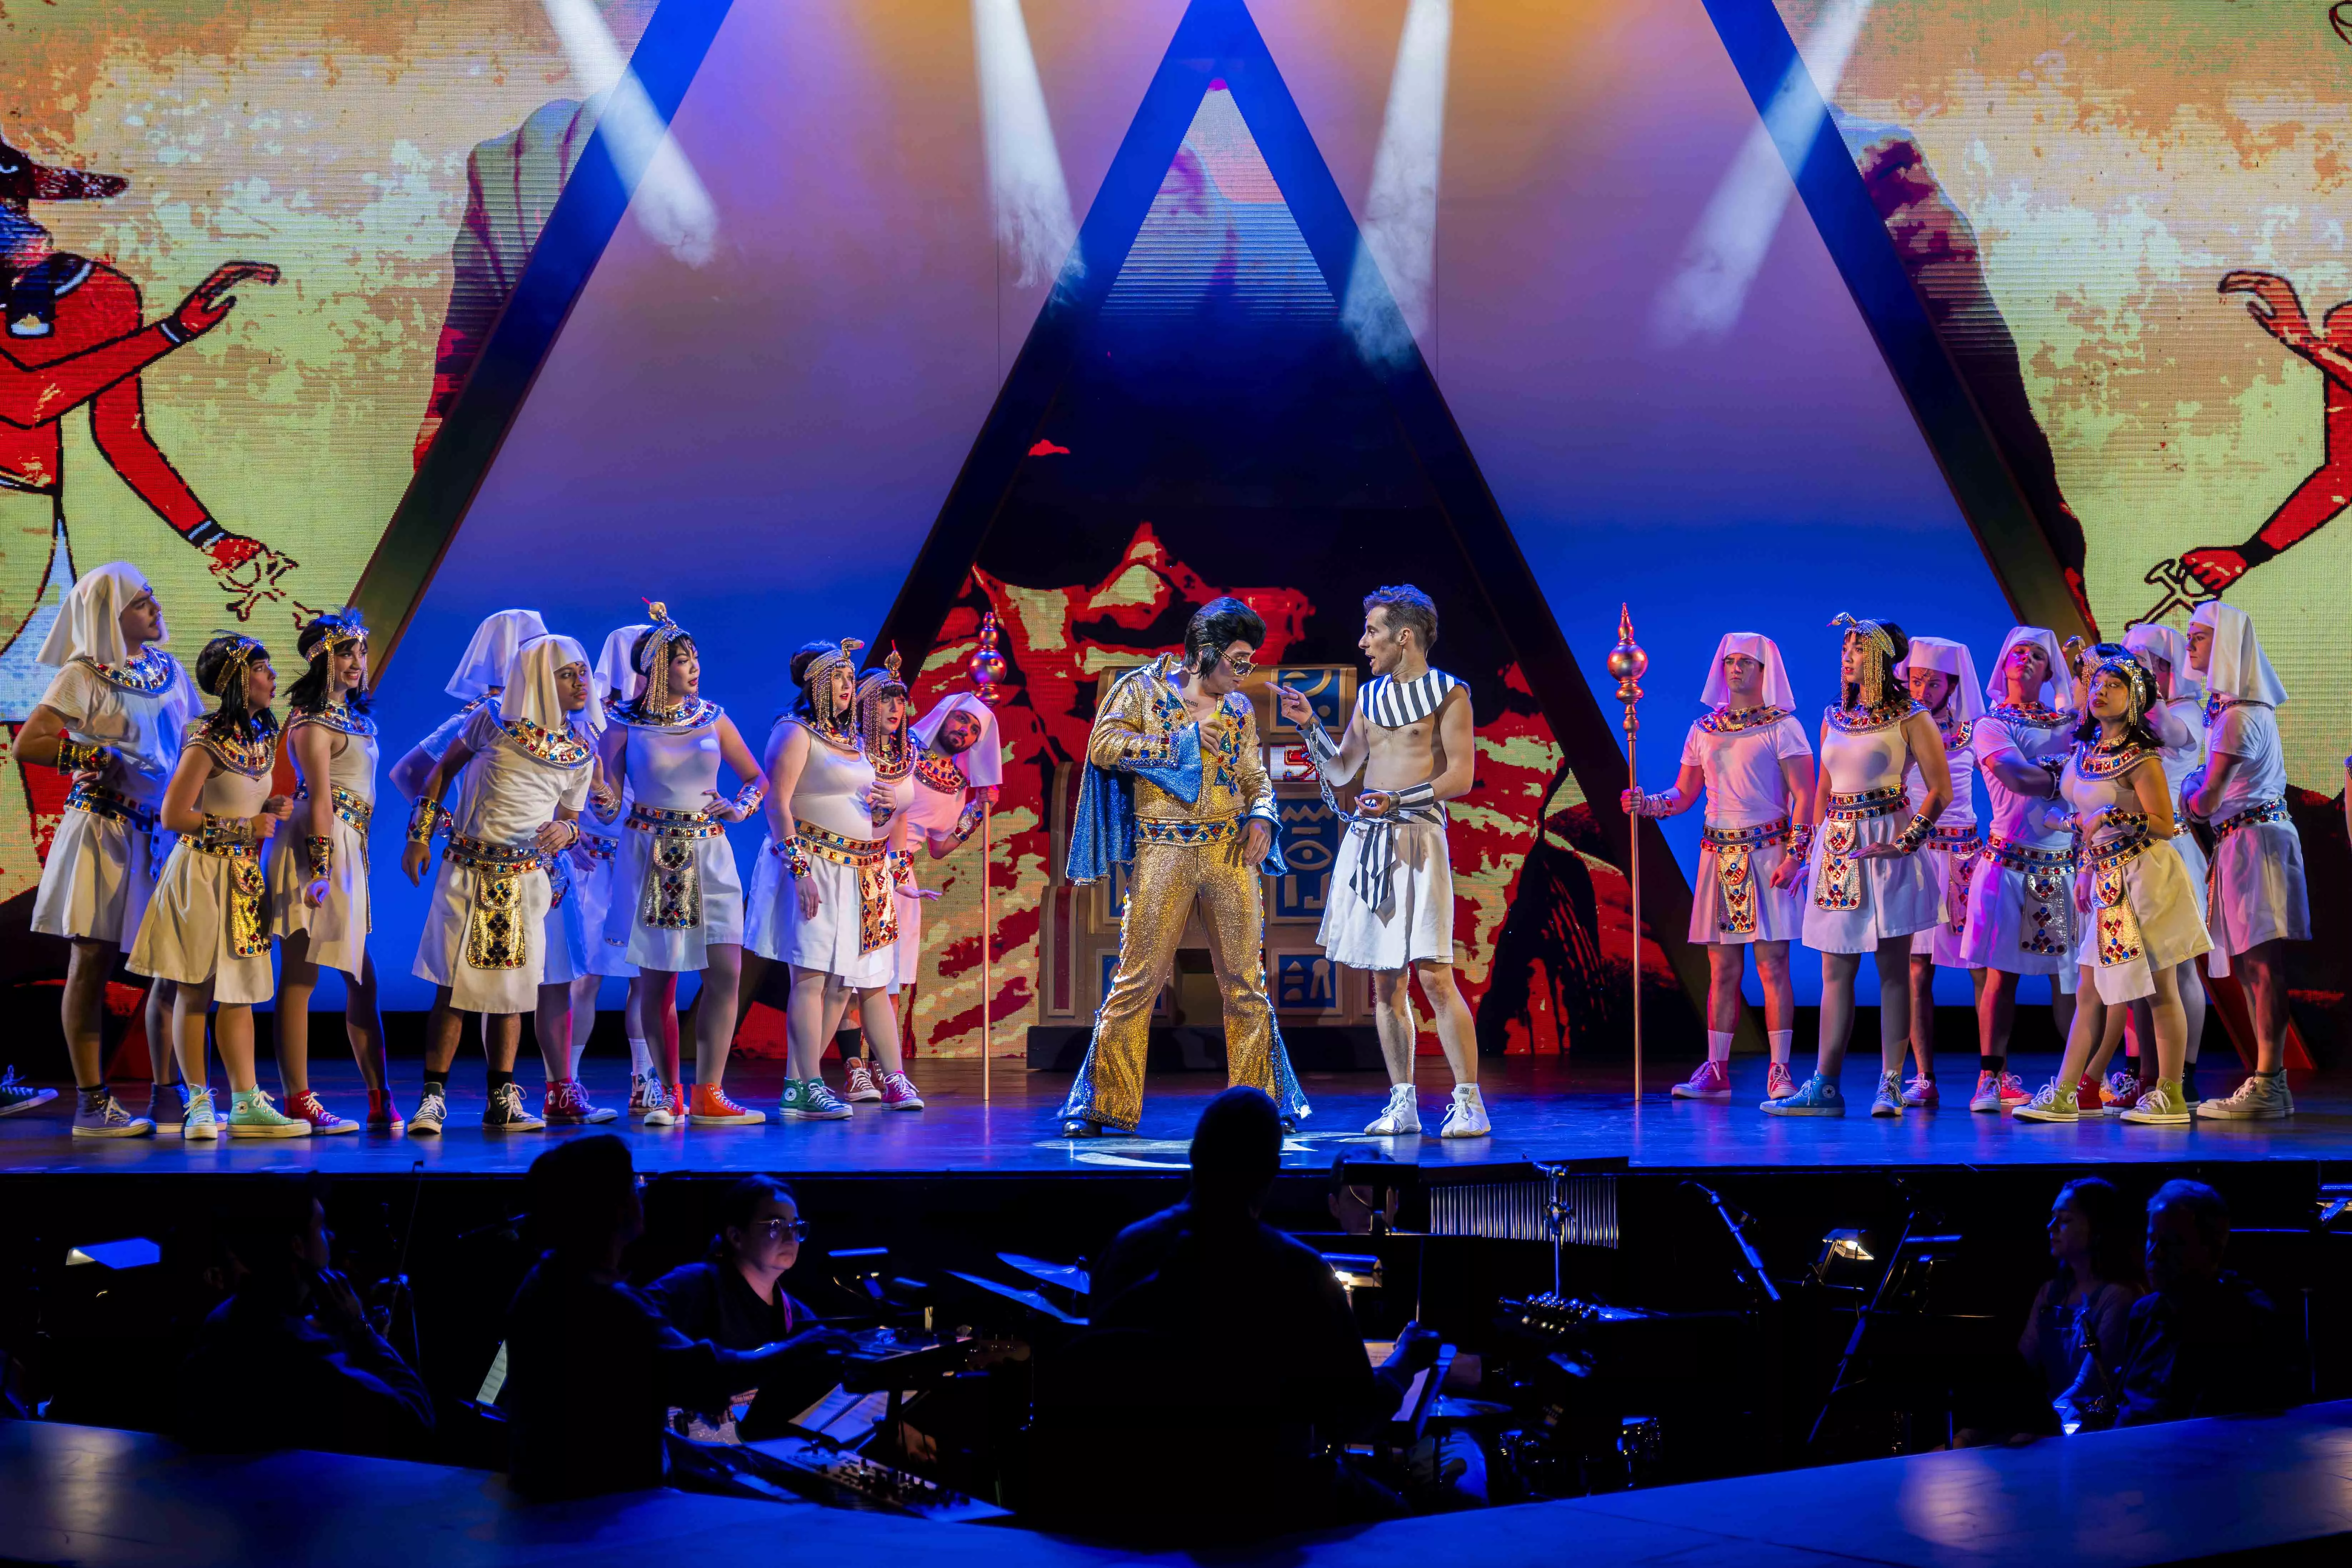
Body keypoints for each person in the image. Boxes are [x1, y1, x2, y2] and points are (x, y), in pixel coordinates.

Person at [1047, 1087, 1433, 1539]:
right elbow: (1356, 1417)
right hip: (1266, 1495)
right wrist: (1407, 1360)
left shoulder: (1125, 1250)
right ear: (1272, 1173)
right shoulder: (1298, 1270)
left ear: (1193, 1156)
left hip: (1143, 1493)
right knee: (1409, 1528)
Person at [1059, 598, 1308, 1137]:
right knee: (1138, 979)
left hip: (1227, 851)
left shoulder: (1238, 708)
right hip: (1163, 849)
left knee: (1245, 984)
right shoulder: (1141, 691)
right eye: (1238, 660)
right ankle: (1105, 1103)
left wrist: (1262, 815)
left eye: (1248, 663)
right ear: (1205, 652)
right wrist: (1181, 743)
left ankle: (1259, 1105)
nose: (1243, 673)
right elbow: (1103, 746)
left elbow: (1253, 776)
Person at [502, 1135, 853, 1499]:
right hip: (594, 1511)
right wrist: (797, 1349)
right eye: (632, 1183)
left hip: (580, 1499)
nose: (641, 1192)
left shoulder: (553, 1277)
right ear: (606, 1206)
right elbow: (704, 1372)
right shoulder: (604, 1298)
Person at [1282, 586, 1488, 1136]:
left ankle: (1468, 1100)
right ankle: (1403, 1101)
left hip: (1418, 839)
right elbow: (1343, 769)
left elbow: (1460, 777)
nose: (1363, 641)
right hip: (1370, 841)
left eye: (1372, 630)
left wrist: (1400, 799)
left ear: (1404, 635)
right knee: (1384, 983)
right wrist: (1309, 725)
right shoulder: (1370, 697)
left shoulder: (1450, 693)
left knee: (1435, 976)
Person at [15, 565, 199, 1135]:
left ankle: (171, 1095)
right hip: (101, 830)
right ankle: (92, 1103)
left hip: (159, 833)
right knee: (92, 960)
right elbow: (30, 741)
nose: (156, 607)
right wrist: (90, 759)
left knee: (172, 963)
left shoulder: (168, 668)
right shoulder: (83, 673)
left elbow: (193, 735)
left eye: (153, 597)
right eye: (143, 601)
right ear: (109, 615)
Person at [402, 633, 601, 1135]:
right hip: (467, 868)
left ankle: (501, 1097)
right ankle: (431, 1098)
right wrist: (419, 836)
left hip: (524, 879)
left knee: (511, 993)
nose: (581, 682)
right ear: (539, 677)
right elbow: (442, 769)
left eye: (583, 673)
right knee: (452, 987)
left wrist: (569, 830)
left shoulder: (579, 751)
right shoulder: (492, 717)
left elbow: (571, 817)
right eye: (567, 674)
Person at [1618, 631, 1812, 1104]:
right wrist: (1647, 803)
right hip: (1718, 856)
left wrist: (1796, 855)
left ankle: (1780, 1069)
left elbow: (1807, 794)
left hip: (1768, 854)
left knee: (1772, 965)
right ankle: (1717, 1069)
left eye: (1746, 662)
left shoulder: (1783, 727)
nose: (1735, 669)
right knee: (1722, 969)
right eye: (1730, 661)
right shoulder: (1703, 728)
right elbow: (1684, 795)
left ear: (1765, 671)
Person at [2016, 657, 2211, 1125]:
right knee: (2089, 990)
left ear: (2136, 698)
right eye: (2096, 684)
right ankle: (2064, 1091)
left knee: (2161, 988)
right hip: (2105, 878)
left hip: (2147, 873)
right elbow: (2084, 824)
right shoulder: (2087, 752)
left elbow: (2165, 824)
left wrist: (2113, 817)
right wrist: (2085, 863)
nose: (2099, 691)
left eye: (2112, 686)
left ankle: (2170, 1094)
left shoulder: (2142, 756)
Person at [1767, 616, 1949, 1117]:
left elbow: (1940, 790)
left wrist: (1904, 844)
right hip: (1839, 848)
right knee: (1834, 968)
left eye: (1855, 649)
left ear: (1880, 658)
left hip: (1887, 841)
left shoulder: (1911, 716)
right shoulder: (1833, 715)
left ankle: (1890, 1081)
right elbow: (1823, 793)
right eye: (1843, 649)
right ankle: (1825, 1083)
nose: (1845, 657)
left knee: (1893, 969)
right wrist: (1802, 855)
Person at [128, 634, 305, 1138]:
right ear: (234, 680)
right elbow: (173, 814)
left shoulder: (262, 734)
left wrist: (267, 811)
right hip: (202, 873)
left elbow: (244, 802)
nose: (273, 677)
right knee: (196, 986)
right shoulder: (206, 736)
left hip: (243, 878)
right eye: (263, 668)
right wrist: (243, 828)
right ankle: (200, 1103)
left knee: (241, 991)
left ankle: (247, 1100)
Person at [597, 605, 767, 1126]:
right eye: (681, 659)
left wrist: (741, 808)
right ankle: (669, 1091)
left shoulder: (712, 716)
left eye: (695, 657)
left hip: (710, 851)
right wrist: (599, 799)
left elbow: (756, 778)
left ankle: (709, 1091)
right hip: (656, 855)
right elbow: (603, 793)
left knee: (726, 972)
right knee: (660, 980)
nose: (694, 667)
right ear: (654, 668)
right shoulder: (624, 723)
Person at [741, 638, 923, 1119]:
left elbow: (871, 810)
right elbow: (778, 804)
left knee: (856, 982)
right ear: (817, 682)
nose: (849, 686)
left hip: (863, 870)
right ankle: (807, 1085)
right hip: (816, 864)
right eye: (840, 678)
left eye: (850, 678)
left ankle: (805, 1083)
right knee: (811, 979)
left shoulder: (853, 741)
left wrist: (884, 816)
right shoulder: (793, 732)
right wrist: (798, 871)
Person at [176, 1173, 434, 1458]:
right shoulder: (301, 1350)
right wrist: (363, 1332)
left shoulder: (222, 1321)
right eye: (321, 1226)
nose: (332, 1236)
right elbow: (417, 1422)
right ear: (297, 1246)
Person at [265, 610, 395, 1133]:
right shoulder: (310, 719)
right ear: (322, 659)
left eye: (361, 652)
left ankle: (379, 1094)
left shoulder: (357, 718)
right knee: (301, 974)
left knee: (361, 975)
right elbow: (319, 796)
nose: (356, 662)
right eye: (345, 652)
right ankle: (299, 1098)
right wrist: (319, 866)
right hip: (317, 843)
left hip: (350, 844)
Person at [2183, 601, 2309, 1119]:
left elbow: (2207, 799)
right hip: (2244, 840)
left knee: (2260, 964)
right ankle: (2266, 1078)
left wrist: (2184, 794)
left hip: (2253, 841)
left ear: (2226, 645)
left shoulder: (2238, 715)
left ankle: (2268, 1080)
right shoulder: (2232, 707)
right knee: (2249, 964)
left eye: (2198, 635)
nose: (2188, 643)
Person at [1957, 626, 2080, 1112]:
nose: (2026, 661)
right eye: (2018, 653)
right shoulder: (1990, 723)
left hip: (2058, 866)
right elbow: (2015, 775)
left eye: (2037, 656)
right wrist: (2065, 775)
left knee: (2067, 978)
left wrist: (2061, 772)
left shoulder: (2069, 722)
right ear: (2004, 664)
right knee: (2000, 976)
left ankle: (2078, 1078)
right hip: (2007, 864)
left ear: (2049, 670)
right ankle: (1991, 1076)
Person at [2094, 625, 2210, 1109]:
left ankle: (2181, 1075)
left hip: (2170, 848)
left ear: (2166, 667)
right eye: (2131, 658)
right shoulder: (2126, 718)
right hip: (2126, 856)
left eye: (2146, 659)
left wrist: (2149, 694)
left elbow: (2177, 735)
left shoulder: (2180, 711)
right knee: (2140, 974)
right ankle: (2145, 1075)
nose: (2136, 666)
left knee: (2176, 968)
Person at [810, 653, 925, 1106]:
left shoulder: (905, 752)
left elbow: (898, 819)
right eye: (884, 701)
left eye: (900, 701)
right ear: (863, 703)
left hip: (880, 872)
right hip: (840, 867)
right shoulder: (848, 748)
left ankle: (893, 1077)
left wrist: (898, 876)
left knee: (876, 981)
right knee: (838, 985)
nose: (895, 710)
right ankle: (809, 1079)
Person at [645, 1176, 839, 1434]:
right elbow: (627, 1331)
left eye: (795, 1226)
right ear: (736, 1236)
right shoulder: (691, 1285)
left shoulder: (799, 1316)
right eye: (776, 1225)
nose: (790, 1236)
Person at [2110, 1181, 2299, 1426]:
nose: (2154, 1254)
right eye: (2151, 1239)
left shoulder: (2248, 1321)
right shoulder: (2144, 1312)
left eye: (2171, 1243)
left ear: (2213, 1250)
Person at [882, 690, 1002, 1065]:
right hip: (864, 858)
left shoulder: (955, 783)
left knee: (891, 975)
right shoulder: (899, 746)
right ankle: (853, 1064)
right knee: (850, 975)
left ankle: (884, 1067)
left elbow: (939, 846)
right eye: (962, 719)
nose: (965, 731)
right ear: (945, 713)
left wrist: (977, 813)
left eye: (973, 729)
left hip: (904, 878)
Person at [1892, 637, 1983, 1107]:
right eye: (1915, 678)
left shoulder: (1974, 730)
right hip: (1915, 855)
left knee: (1981, 968)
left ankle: (1994, 1072)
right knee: (1915, 970)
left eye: (1933, 680)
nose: (1922, 687)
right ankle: (1924, 1078)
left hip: (1963, 856)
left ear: (1952, 684)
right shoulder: (1898, 727)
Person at [579, 622, 655, 1113]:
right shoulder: (589, 721)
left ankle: (643, 1078)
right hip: (593, 863)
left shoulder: (671, 723)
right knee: (584, 978)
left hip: (643, 862)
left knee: (644, 979)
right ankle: (564, 1078)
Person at [2018, 1178, 2143, 1434]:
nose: (2051, 1227)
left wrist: (2041, 1423)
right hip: (2054, 1417)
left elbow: (2088, 1386)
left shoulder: (2118, 1296)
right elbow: (2023, 1366)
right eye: (2053, 1217)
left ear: (2097, 1229)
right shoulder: (2050, 1293)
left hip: (2094, 1430)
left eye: (2064, 1219)